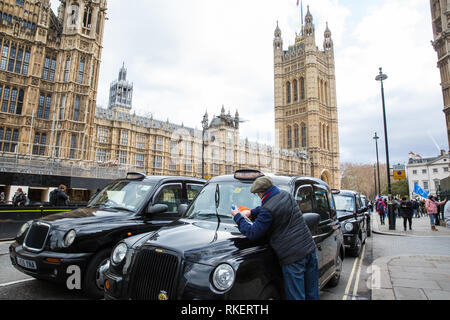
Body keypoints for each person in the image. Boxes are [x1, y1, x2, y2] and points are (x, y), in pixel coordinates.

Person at [231, 176, 319, 300]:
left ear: (261, 193)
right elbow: (271, 207)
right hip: (310, 250)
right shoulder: (285, 195)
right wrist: (251, 212)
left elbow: (253, 232)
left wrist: (237, 217)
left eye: (257, 194)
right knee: (312, 294)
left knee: (296, 297)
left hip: (293, 258)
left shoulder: (268, 210)